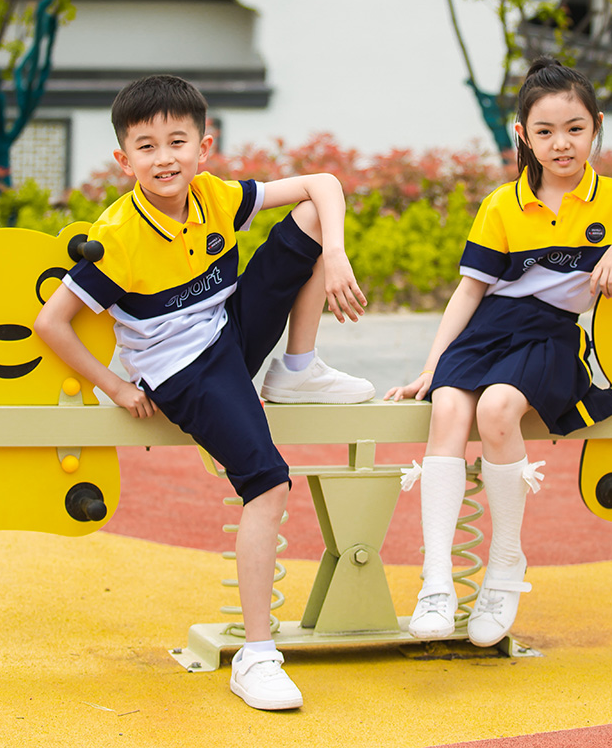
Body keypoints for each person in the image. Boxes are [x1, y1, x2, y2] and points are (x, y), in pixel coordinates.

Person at [35, 74, 374, 712]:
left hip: (230, 330)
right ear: (124, 160)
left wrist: (335, 254)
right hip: (184, 370)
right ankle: (257, 654)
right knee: (268, 485)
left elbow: (324, 184)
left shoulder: (214, 196)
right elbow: (50, 323)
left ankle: (297, 369)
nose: (164, 158)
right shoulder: (118, 237)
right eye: (146, 147)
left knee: (308, 219)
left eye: (177, 142)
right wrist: (115, 386)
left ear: (203, 147)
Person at [385, 56, 612, 648]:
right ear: (523, 135)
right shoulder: (503, 204)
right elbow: (469, 292)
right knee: (447, 407)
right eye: (546, 131)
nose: (562, 144)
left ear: (596, 127)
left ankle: (505, 566)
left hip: (552, 334)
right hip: (489, 329)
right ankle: (436, 581)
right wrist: (432, 367)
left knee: (498, 409)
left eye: (575, 128)